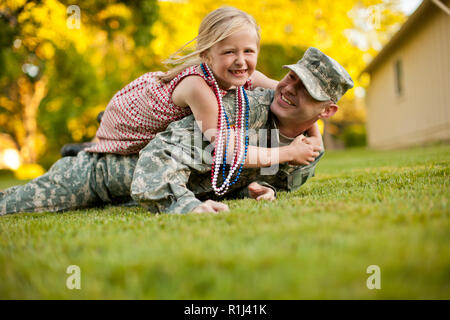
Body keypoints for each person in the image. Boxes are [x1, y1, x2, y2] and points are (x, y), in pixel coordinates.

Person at [0, 47, 353, 215]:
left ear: (328, 110)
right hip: (101, 174)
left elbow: (258, 179)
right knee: (12, 206)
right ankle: (81, 151)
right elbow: (161, 155)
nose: (290, 88)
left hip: (128, 193)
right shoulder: (240, 109)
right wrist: (182, 206)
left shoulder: (307, 150)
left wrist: (256, 190)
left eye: (305, 88)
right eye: (292, 76)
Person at [83, 6, 322, 170]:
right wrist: (288, 153)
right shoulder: (198, 87)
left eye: (248, 51)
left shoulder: (248, 75)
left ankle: (88, 143)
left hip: (156, 109)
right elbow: (227, 151)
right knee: (105, 153)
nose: (241, 60)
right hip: (129, 117)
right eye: (229, 52)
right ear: (207, 55)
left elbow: (290, 96)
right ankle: (86, 146)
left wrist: (315, 136)